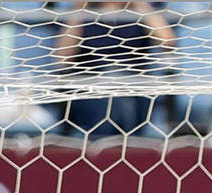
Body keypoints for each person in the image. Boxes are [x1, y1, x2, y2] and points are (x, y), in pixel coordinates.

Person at [55, 1, 176, 139]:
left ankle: (117, 145)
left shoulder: (138, 14)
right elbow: (62, 57)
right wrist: (80, 10)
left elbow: (168, 41)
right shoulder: (84, 15)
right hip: (92, 90)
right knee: (110, 102)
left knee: (123, 100)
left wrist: (139, 5)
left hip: (135, 90)